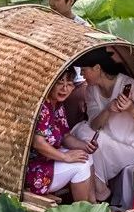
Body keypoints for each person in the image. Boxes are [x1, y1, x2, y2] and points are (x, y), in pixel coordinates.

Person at [71, 49, 134, 202]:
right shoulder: (91, 90)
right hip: (109, 140)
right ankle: (99, 187)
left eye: (84, 70)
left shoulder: (131, 86)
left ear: (97, 68)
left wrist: (132, 109)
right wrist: (108, 109)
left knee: (88, 137)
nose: (81, 75)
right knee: (83, 132)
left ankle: (100, 190)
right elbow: (94, 125)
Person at [25, 72, 96, 202]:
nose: (65, 88)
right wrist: (66, 157)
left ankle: (93, 204)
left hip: (48, 158)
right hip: (34, 168)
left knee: (86, 155)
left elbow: (65, 136)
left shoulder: (57, 105)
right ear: (50, 83)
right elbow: (38, 143)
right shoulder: (42, 107)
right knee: (80, 166)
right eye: (60, 83)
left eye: (69, 84)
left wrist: (85, 145)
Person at [47, 0, 89, 125]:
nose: (52, 3)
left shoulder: (82, 27)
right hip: (47, 77)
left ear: (70, 1)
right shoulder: (44, 20)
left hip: (73, 80)